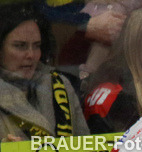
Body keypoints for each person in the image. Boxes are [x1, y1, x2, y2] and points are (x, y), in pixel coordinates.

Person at [0, 4, 88, 140]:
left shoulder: (59, 85)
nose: (31, 55)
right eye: (20, 46)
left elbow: (85, 150)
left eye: (36, 46)